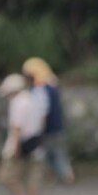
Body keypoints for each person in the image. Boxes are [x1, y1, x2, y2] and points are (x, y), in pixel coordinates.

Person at [0, 73, 46, 195]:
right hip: (35, 145)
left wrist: (15, 149)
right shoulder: (33, 100)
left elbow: (17, 128)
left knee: (5, 176)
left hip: (18, 146)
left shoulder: (18, 103)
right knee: (32, 179)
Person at [23, 57, 74, 185]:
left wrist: (39, 129)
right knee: (58, 154)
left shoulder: (40, 90)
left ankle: (65, 178)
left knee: (52, 155)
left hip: (48, 129)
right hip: (58, 127)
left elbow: (42, 112)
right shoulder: (53, 86)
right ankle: (64, 177)